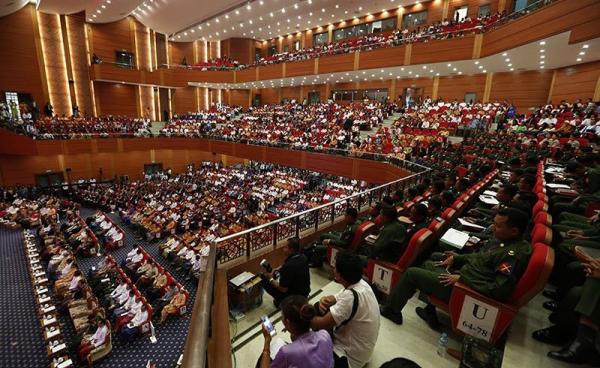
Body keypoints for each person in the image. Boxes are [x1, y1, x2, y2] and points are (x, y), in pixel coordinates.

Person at [380, 208, 532, 326]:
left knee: (412, 274)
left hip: (464, 289)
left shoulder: (513, 254)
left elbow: (499, 290)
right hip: (464, 277)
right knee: (428, 263)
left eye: (498, 226)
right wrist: (456, 258)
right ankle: (430, 310)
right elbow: (480, 258)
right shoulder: (502, 239)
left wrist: (462, 279)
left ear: (514, 231)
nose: (493, 228)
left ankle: (392, 311)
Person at [310, 251, 380, 368]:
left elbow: (322, 323)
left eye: (335, 267)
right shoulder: (361, 283)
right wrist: (323, 300)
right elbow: (334, 298)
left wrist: (299, 318)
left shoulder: (350, 297)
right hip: (363, 351)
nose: (333, 268)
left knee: (310, 350)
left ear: (339, 275)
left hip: (349, 358)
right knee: (319, 307)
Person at [259, 295, 334, 368]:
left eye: (282, 316)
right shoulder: (324, 335)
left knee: (263, 359)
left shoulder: (287, 352)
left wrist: (267, 340)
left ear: (288, 322)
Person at [261, 237, 310, 308]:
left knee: (264, 279)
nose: (283, 249)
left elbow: (283, 289)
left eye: (285, 247)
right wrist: (279, 268)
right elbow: (290, 265)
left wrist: (271, 279)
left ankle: (284, 302)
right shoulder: (303, 257)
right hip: (304, 293)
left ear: (291, 250)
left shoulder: (288, 266)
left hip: (294, 298)